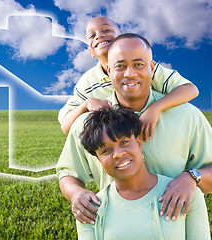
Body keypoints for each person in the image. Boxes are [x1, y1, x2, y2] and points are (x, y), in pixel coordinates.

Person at [56, 33, 212, 227]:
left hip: (176, 228)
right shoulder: (87, 124)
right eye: (120, 66)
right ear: (108, 69)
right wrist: (76, 193)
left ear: (152, 67)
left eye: (138, 64)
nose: (129, 73)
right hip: (117, 229)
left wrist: (192, 177)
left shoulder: (188, 116)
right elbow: (68, 173)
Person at [76, 107, 211, 239]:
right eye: (105, 151)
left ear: (139, 143)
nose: (118, 154)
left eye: (124, 142)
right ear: (99, 160)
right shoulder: (89, 209)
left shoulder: (185, 194)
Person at [58, 16, 199, 141]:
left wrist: (155, 107)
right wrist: (86, 104)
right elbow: (66, 126)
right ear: (91, 51)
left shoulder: (144, 68)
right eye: (92, 35)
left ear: (121, 39)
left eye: (106, 30)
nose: (99, 36)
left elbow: (190, 89)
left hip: (158, 134)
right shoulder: (87, 82)